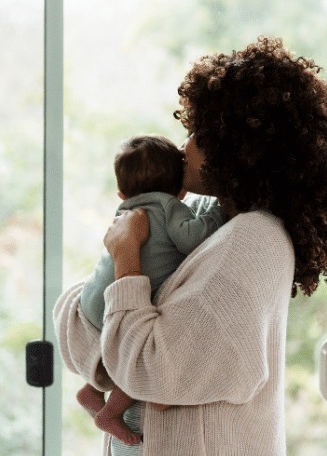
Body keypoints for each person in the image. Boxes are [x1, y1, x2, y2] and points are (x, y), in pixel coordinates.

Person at [53, 36, 327, 455]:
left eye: (199, 133)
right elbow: (72, 321)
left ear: (241, 147)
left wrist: (126, 256)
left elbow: (148, 370)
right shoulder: (205, 216)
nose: (183, 147)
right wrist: (126, 362)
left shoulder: (253, 243)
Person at [76, 134, 226, 446]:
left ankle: (92, 389)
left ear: (121, 191)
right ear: (181, 190)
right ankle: (111, 412)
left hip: (92, 298)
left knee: (120, 349)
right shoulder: (169, 205)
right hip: (122, 297)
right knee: (138, 361)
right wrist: (217, 211)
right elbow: (190, 239)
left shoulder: (125, 208)